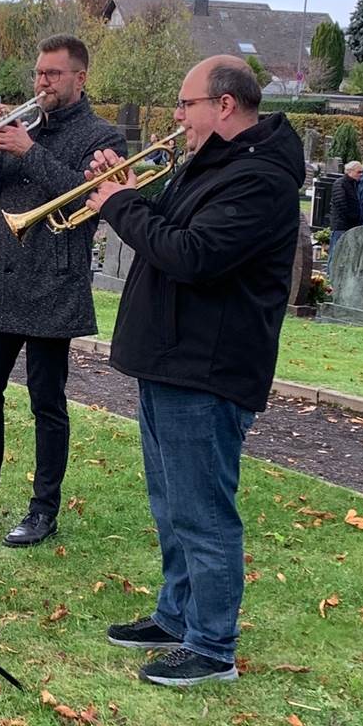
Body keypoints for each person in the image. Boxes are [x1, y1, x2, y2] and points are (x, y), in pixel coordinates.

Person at [85, 56, 302, 687]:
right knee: (171, 503)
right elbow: (177, 222)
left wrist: (122, 206)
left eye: (186, 105)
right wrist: (126, 187)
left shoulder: (260, 178)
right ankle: (177, 616)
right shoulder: (215, 164)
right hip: (172, 357)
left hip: (209, 367)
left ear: (225, 105)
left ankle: (212, 646)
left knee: (204, 512)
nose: (177, 118)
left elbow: (194, 254)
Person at [0, 34, 127, 547]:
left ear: (80, 78)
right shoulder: (21, 127)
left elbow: (87, 196)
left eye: (53, 75)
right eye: (39, 74)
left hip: (53, 283)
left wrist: (29, 149)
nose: (42, 83)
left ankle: (43, 510)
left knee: (46, 401)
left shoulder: (101, 136)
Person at [328, 160, 363, 271]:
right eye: (359, 172)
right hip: (341, 225)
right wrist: (354, 217)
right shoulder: (341, 183)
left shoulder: (354, 185)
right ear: (350, 171)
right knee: (336, 252)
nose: (361, 174)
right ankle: (330, 277)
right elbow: (341, 204)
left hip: (351, 225)